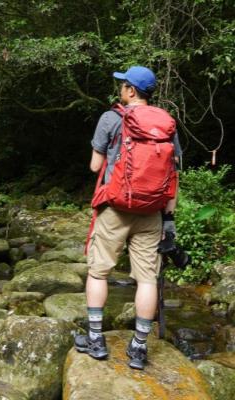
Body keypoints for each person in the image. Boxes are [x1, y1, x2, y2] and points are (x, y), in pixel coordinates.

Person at [74, 66, 181, 370]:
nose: (120, 88)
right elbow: (173, 175)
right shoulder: (166, 124)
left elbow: (96, 167)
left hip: (115, 209)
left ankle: (95, 339)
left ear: (131, 91)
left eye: (123, 85)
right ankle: (138, 348)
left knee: (98, 272)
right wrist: (168, 221)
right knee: (147, 278)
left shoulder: (112, 118)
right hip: (152, 214)